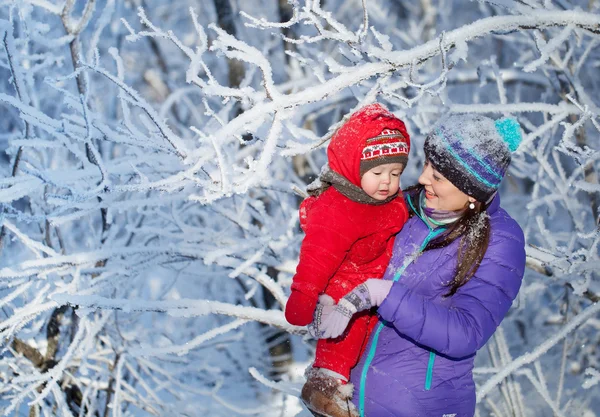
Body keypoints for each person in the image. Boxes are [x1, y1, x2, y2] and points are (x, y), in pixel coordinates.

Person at [312, 114, 527, 417]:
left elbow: (466, 331)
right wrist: (328, 300)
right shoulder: (404, 207)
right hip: (347, 404)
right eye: (427, 165)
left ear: (470, 190)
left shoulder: (500, 240)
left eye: (438, 176)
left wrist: (384, 295)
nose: (424, 178)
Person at [284, 103, 411, 417]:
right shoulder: (339, 208)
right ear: (354, 167)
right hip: (344, 288)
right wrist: (304, 294)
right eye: (378, 172)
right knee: (343, 336)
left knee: (371, 345)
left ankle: (350, 392)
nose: (387, 181)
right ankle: (325, 386)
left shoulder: (392, 201)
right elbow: (317, 255)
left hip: (377, 291)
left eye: (395, 173)